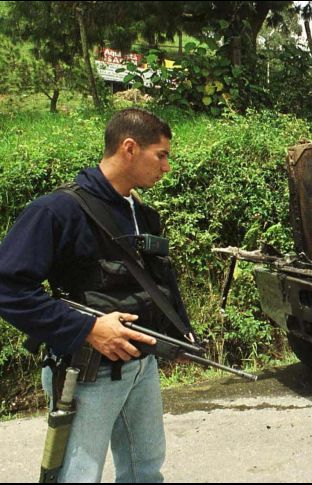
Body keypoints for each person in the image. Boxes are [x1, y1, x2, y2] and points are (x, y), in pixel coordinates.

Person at [0, 108, 194, 482]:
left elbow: (157, 279)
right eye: (162, 155)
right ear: (130, 148)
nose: (166, 167)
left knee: (145, 469)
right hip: (87, 372)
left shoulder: (140, 211)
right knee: (79, 475)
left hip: (142, 365)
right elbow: (7, 288)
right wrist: (87, 328)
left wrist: (181, 332)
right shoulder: (56, 210)